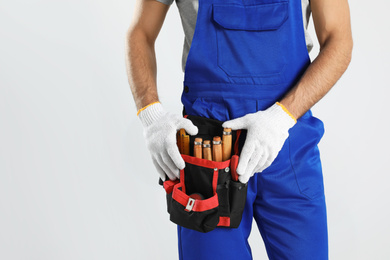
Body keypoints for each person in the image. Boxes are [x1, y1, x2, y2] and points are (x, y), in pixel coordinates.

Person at [125, 0, 353, 258]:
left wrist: (280, 117)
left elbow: (339, 40)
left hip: (287, 140)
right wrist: (151, 115)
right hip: (208, 152)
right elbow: (141, 32)